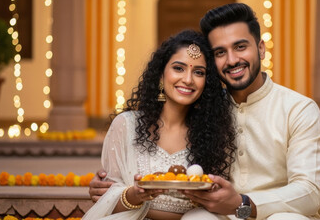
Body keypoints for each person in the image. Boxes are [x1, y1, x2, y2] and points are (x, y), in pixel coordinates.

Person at [89, 3, 320, 220]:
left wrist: (243, 203)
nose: (232, 60)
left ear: (261, 49)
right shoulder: (207, 111)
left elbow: (309, 191)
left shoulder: (298, 109)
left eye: (240, 47)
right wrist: (115, 193)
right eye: (220, 52)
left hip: (279, 214)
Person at [83, 30, 236, 220]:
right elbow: (105, 199)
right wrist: (135, 195)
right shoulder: (126, 126)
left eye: (198, 72)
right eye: (178, 68)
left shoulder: (215, 133)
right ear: (161, 75)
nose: (188, 79)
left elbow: (225, 199)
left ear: (206, 83)